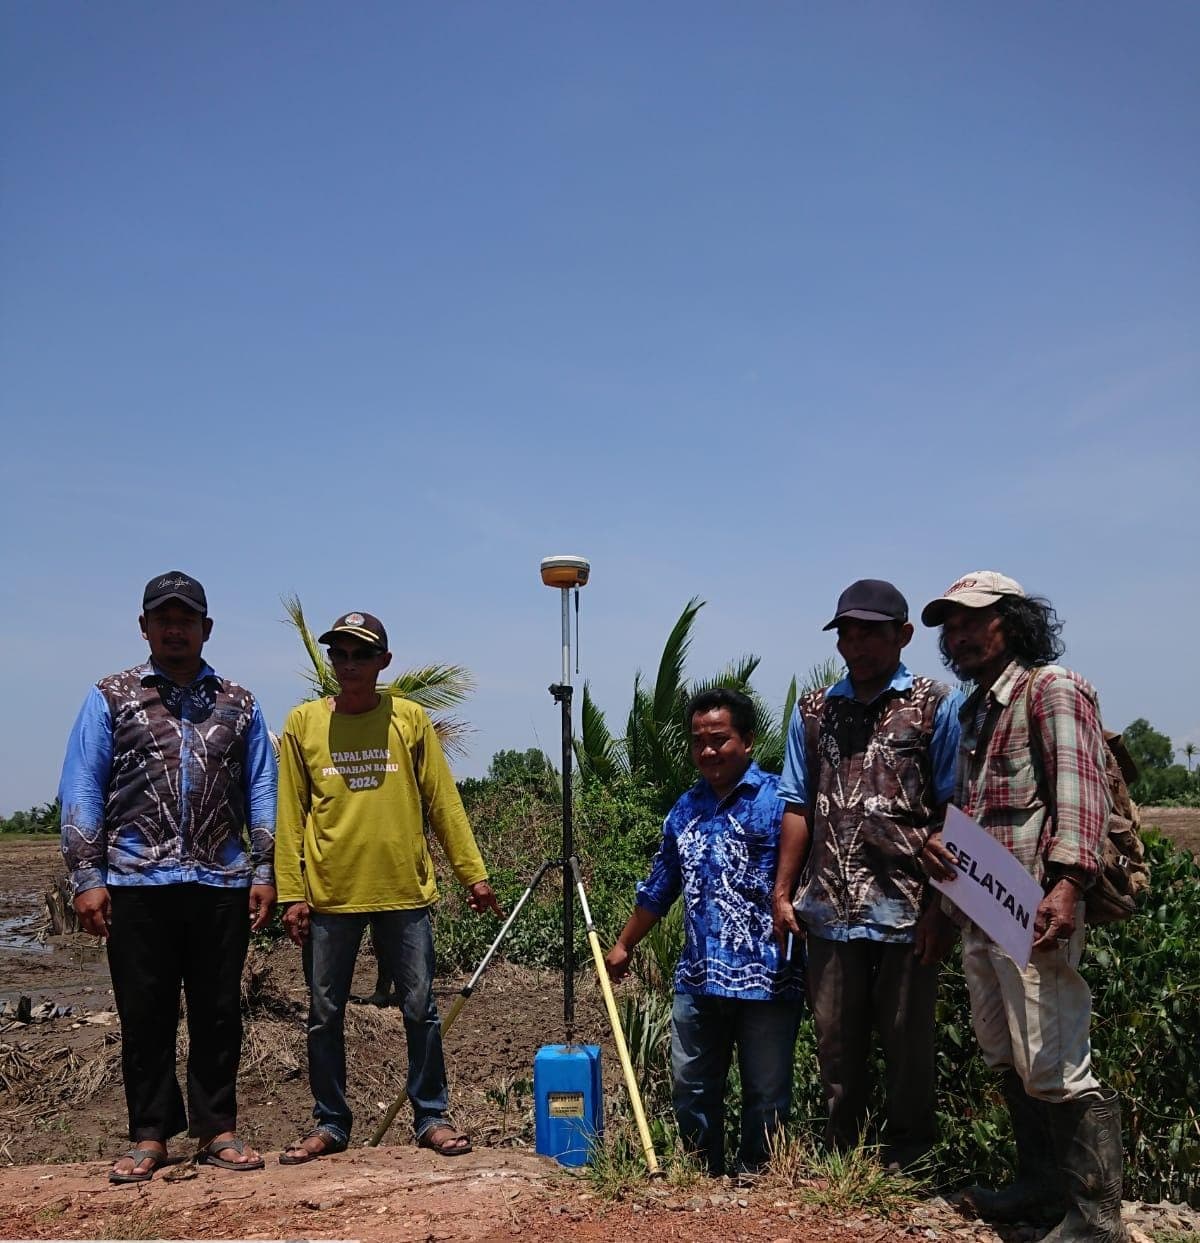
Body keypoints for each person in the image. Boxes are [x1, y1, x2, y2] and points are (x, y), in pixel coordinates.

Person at [918, 571, 1126, 1242]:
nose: (960, 634)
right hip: (985, 909)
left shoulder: (1052, 688)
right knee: (1006, 1052)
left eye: (973, 619)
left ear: (1013, 620)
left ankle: (1097, 1217)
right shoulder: (976, 709)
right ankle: (1040, 1185)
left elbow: (1080, 793)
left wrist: (1067, 884)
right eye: (950, 625)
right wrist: (942, 861)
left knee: (1055, 1057)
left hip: (1037, 909)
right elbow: (977, 814)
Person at [59, 571, 277, 1183]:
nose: (174, 628)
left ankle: (218, 1131)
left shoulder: (240, 703)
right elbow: (81, 786)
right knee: (145, 1011)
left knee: (217, 1010)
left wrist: (264, 868)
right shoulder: (112, 696)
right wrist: (86, 876)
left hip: (220, 881)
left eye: (187, 619)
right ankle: (149, 1135)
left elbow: (262, 786)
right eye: (163, 618)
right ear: (144, 627)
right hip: (134, 881)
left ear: (207, 629)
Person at [274, 611, 502, 1162]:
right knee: (325, 1014)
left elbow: (442, 802)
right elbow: (289, 813)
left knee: (420, 1008)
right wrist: (291, 891)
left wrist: (473, 874)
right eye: (340, 654)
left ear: (384, 662)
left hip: (405, 893)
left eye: (361, 654)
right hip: (330, 895)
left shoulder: (410, 719)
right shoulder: (303, 722)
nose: (349, 665)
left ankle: (431, 1117)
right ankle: (330, 1122)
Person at [772, 579, 961, 1170]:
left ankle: (910, 1156)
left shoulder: (936, 702)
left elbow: (955, 811)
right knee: (835, 1040)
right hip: (828, 907)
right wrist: (783, 893)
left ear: (903, 635)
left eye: (871, 633)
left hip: (907, 906)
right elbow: (797, 805)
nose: (858, 645)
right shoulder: (814, 710)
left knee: (907, 1041)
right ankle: (842, 1153)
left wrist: (942, 909)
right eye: (848, 634)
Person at [605, 688, 803, 1176]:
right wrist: (625, 943)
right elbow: (659, 886)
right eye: (699, 742)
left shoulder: (782, 803)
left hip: (768, 976)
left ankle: (762, 1176)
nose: (708, 751)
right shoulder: (684, 809)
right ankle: (701, 1174)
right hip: (697, 977)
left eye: (720, 739)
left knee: (767, 1088)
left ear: (748, 741)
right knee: (691, 1084)